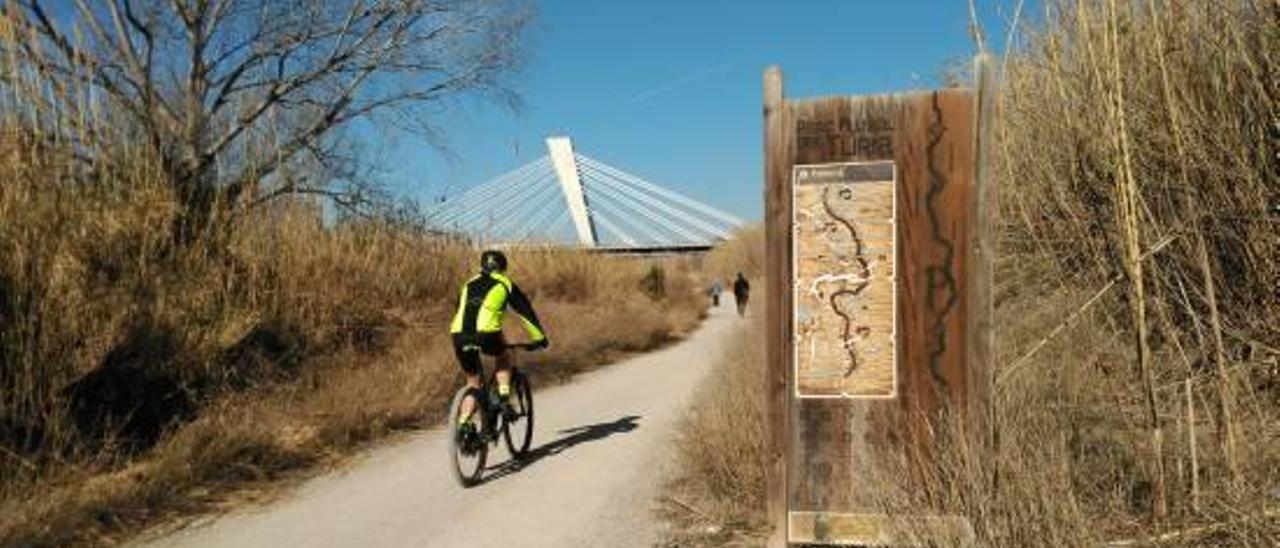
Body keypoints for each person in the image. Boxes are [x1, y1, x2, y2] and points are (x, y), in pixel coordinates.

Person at [450, 250, 548, 434]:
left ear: (482, 265)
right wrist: (540, 338)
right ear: (503, 267)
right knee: (505, 354)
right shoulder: (505, 283)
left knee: (473, 382)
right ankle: (503, 397)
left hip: (458, 334)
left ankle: (463, 423)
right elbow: (525, 313)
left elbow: (459, 311)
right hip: (487, 333)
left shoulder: (468, 284)